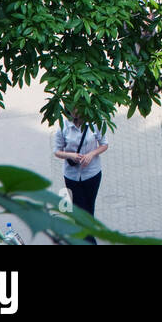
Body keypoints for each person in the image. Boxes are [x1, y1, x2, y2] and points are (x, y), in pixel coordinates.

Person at [54, 103, 109, 243]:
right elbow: (57, 151)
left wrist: (91, 154)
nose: (75, 112)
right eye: (71, 109)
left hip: (92, 174)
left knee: (88, 213)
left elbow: (104, 144)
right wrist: (71, 155)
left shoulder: (95, 122)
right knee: (81, 214)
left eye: (77, 108)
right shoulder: (63, 126)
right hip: (72, 177)